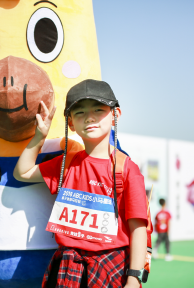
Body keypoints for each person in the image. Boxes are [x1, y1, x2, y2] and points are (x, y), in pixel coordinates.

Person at [14, 80, 149, 288]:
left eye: (98, 109)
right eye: (79, 112)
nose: (89, 117)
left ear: (115, 115)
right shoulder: (66, 164)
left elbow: (138, 228)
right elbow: (23, 172)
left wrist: (134, 278)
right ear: (70, 123)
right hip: (67, 266)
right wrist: (39, 137)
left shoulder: (128, 169)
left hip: (110, 265)